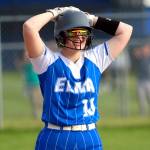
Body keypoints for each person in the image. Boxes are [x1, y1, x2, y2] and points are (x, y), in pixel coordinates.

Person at [23, 6, 133, 150]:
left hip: (89, 136)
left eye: (84, 33)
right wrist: (56, 13)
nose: (81, 37)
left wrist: (90, 19)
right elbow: (29, 27)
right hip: (55, 135)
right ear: (61, 35)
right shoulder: (47, 62)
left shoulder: (96, 59)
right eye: (75, 33)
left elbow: (126, 30)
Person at [22, 50, 42, 119]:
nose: (26, 56)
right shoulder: (26, 64)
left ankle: (39, 113)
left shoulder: (35, 62)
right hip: (30, 84)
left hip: (37, 83)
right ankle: (35, 115)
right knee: (33, 100)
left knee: (39, 100)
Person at [133, 44, 150, 116]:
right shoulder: (139, 58)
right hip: (140, 81)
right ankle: (143, 114)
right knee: (141, 99)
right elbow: (135, 53)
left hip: (148, 80)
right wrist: (141, 52)